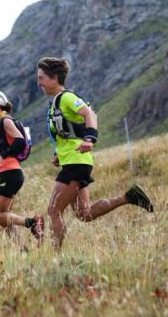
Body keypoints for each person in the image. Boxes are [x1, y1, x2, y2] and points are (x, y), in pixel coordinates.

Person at [37, 57, 154, 250]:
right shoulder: (56, 103)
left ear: (54, 78)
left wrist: (90, 139)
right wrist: (59, 153)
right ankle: (130, 197)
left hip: (77, 162)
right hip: (73, 161)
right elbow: (69, 133)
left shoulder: (67, 98)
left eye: (41, 78)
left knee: (53, 210)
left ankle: (54, 255)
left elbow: (90, 115)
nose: (39, 83)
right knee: (85, 214)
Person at [0, 90, 44, 245]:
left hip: (11, 174)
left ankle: (32, 223)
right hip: (10, 174)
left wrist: (0, 157)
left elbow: (19, 142)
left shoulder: (6, 121)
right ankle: (22, 250)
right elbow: (5, 146)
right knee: (3, 215)